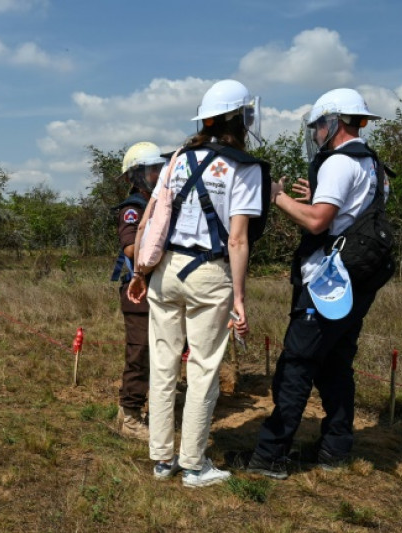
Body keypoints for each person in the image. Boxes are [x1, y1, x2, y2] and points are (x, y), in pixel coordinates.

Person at [229, 88, 388, 479]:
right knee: (335, 366)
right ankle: (334, 451)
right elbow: (348, 216)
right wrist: (317, 198)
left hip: (326, 284)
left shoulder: (338, 163)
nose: (316, 132)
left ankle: (270, 457)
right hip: (357, 282)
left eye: (318, 125)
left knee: (296, 366)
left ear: (332, 122)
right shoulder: (373, 165)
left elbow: (318, 222)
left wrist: (278, 197)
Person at [127, 79, 266, 488]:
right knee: (204, 368)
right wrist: (240, 297)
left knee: (164, 363)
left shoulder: (177, 159)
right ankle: (192, 464)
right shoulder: (245, 168)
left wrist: (141, 272)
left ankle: (160, 459)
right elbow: (238, 238)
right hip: (210, 273)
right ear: (240, 119)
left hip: (167, 271)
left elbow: (156, 220)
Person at [111, 142, 165, 440]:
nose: (157, 174)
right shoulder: (134, 209)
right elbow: (131, 248)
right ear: (137, 176)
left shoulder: (160, 203)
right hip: (137, 291)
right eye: (151, 170)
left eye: (159, 168)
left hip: (156, 287)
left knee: (157, 352)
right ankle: (131, 417)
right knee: (140, 352)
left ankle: (133, 409)